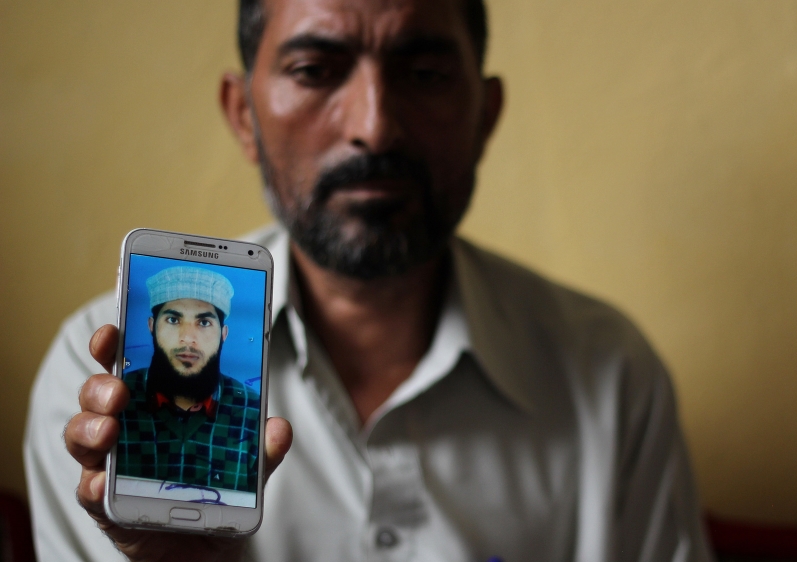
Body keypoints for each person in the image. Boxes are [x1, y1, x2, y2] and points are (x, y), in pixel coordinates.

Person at [24, 0, 715, 560]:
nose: (375, 127)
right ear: (244, 116)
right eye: (316, 70)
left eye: (424, 74)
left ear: (487, 115)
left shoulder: (614, 376)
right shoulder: (94, 392)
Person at [116, 266, 260, 494]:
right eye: (173, 320)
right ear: (152, 327)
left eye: (203, 323)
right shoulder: (117, 400)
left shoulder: (253, 411)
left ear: (223, 334)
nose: (188, 338)